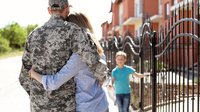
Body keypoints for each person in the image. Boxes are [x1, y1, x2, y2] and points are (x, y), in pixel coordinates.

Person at [19, 0, 108, 111]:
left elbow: (23, 77)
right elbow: (92, 59)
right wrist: (102, 76)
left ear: (49, 10)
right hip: (65, 106)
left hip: (38, 106)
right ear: (67, 9)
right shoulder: (74, 30)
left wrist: (38, 97)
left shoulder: (32, 35)